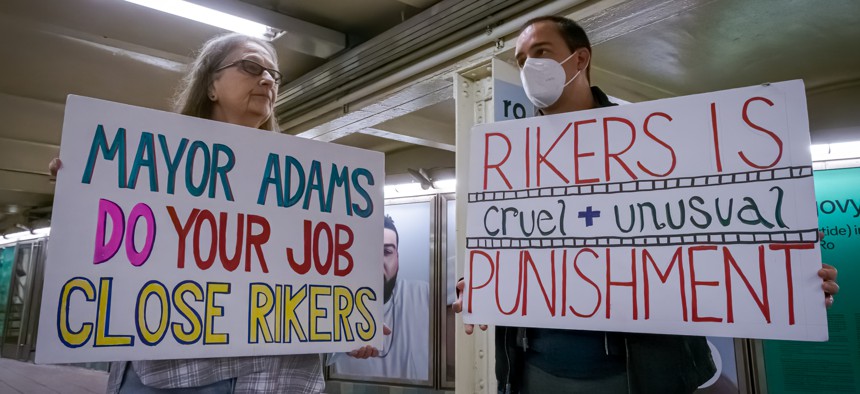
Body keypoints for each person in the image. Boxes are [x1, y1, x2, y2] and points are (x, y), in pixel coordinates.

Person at [452, 15, 842, 394]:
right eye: (521, 61)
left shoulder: (653, 144)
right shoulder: (509, 159)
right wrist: (487, 284)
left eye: (540, 52)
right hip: (533, 370)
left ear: (580, 59)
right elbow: (512, 246)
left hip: (636, 372)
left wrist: (789, 274)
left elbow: (706, 232)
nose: (528, 67)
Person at [51, 33, 325, 393]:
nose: (267, 80)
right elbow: (112, 254)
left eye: (274, 75)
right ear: (211, 84)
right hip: (174, 374)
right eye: (251, 66)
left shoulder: (305, 184)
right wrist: (83, 192)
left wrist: (350, 323)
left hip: (278, 378)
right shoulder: (148, 167)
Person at [330, 214, 430, 380]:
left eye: (386, 251)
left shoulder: (421, 295)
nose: (377, 261)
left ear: (397, 257)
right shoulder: (333, 303)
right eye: (369, 251)